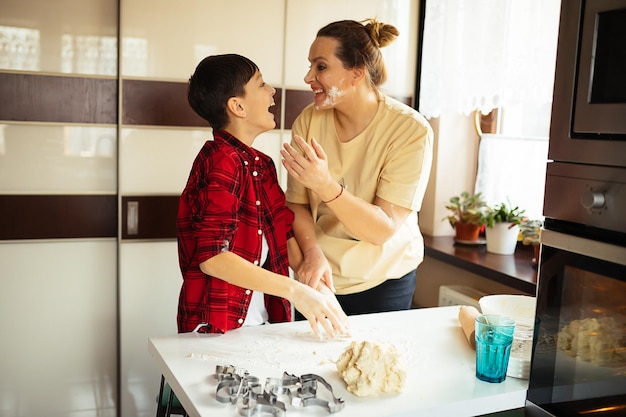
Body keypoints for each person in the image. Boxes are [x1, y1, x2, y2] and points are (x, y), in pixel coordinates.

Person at [177, 54, 349, 337]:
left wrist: (315, 283)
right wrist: (297, 291)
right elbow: (213, 258)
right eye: (261, 84)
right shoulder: (221, 160)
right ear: (238, 106)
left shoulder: (262, 165)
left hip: (260, 324)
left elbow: (282, 235)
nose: (272, 92)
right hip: (217, 327)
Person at [280, 19, 434, 316]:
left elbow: (381, 230)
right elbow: (296, 203)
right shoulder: (308, 121)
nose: (308, 76)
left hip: (384, 281)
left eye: (321, 67)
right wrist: (310, 255)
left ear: (357, 73)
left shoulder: (410, 130)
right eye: (311, 65)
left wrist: (325, 185)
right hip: (320, 274)